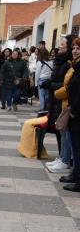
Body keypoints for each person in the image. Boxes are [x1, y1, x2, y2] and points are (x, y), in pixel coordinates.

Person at [45, 35, 76, 174]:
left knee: (65, 132)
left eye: (62, 44)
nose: (59, 47)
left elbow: (67, 85)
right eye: (74, 48)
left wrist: (53, 87)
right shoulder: (64, 62)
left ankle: (65, 160)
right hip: (60, 101)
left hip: (65, 101)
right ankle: (62, 157)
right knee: (62, 131)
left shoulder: (70, 63)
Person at [63, 38, 80, 191]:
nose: (75, 50)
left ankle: (78, 181)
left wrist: (74, 109)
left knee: (78, 146)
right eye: (74, 48)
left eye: (78, 48)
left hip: (78, 113)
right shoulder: (76, 66)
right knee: (75, 146)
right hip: (73, 110)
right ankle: (75, 174)